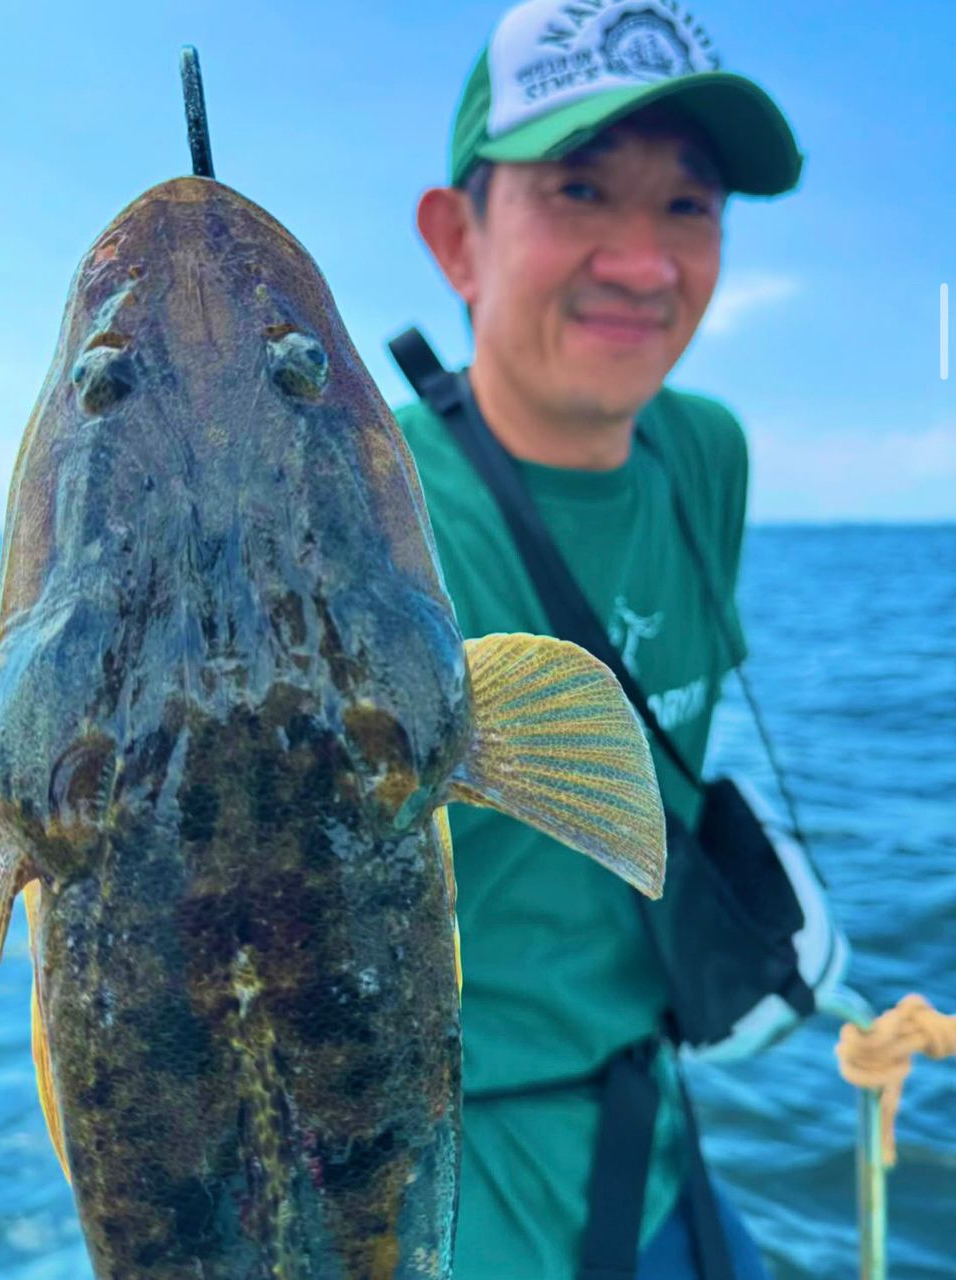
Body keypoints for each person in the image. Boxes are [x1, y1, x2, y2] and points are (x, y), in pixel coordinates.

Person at [390, 1, 805, 1277]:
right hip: (445, 1200)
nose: (643, 260)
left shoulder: (703, 454)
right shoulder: (364, 521)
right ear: (458, 241)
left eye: (689, 205)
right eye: (580, 188)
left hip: (657, 1133)